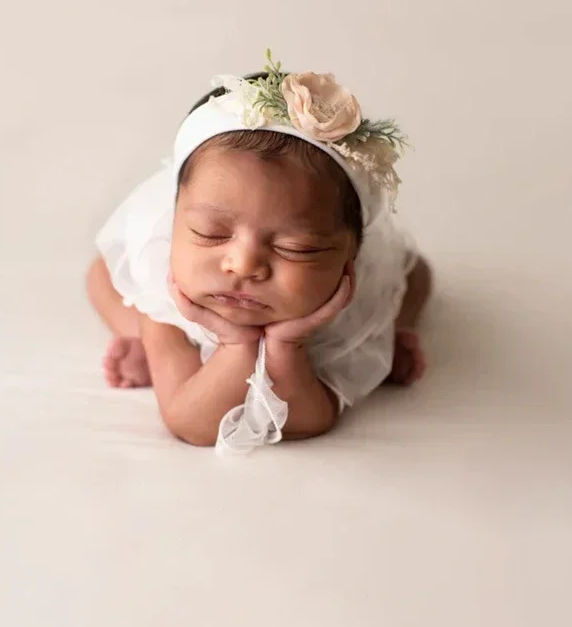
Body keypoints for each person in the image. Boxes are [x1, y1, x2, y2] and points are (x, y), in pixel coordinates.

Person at [86, 53, 432, 451]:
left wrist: (289, 345)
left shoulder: (349, 303)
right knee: (106, 279)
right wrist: (236, 345)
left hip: (335, 300)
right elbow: (191, 424)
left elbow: (311, 420)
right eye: (210, 233)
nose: (244, 264)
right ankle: (138, 339)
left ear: (350, 256)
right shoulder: (169, 300)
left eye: (295, 248)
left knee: (412, 277)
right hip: (170, 310)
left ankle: (393, 328)